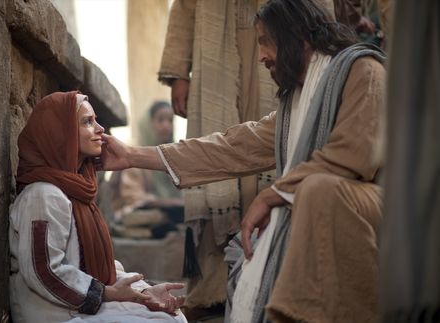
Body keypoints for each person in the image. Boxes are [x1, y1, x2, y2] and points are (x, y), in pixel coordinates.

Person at [101, 0, 386, 322]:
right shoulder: (297, 104)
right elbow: (231, 147)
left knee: (318, 190)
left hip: (385, 213)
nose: (261, 55)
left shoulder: (364, 71)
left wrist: (271, 194)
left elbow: (354, 156)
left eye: (265, 41)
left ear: (295, 37)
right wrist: (131, 155)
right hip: (324, 202)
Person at [9, 91, 186, 323]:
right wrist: (108, 293)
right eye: (87, 122)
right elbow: (45, 273)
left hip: (80, 306)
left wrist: (143, 292)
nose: (100, 129)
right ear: (62, 135)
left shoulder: (75, 191)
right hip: (54, 313)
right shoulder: (43, 195)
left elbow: (86, 264)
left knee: (172, 316)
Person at [157, 0, 280, 317]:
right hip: (213, 43)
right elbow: (185, 5)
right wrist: (178, 72)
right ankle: (211, 291)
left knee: (269, 143)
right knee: (214, 155)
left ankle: (270, 279)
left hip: (277, 38)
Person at [110, 101, 183, 222]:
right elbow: (133, 197)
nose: (166, 126)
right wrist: (167, 203)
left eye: (170, 120)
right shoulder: (134, 154)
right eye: (160, 120)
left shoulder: (174, 155)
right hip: (138, 213)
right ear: (148, 123)